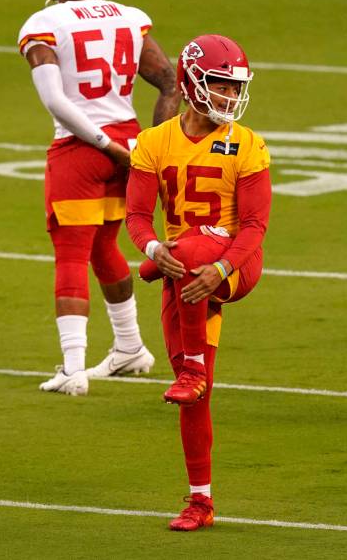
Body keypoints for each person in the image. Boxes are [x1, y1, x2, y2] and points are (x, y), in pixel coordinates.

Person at [18, 0, 180, 396]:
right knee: (103, 245)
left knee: (71, 251)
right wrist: (151, 145)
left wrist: (105, 145)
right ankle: (130, 347)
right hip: (129, 139)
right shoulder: (129, 16)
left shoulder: (44, 23)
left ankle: (72, 366)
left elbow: (55, 98)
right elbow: (169, 80)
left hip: (83, 147)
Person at [126, 34, 272, 531]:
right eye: (220, 86)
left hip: (235, 264)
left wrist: (222, 268)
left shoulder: (247, 144)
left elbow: (254, 226)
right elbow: (138, 217)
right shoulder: (153, 142)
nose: (230, 98)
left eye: (234, 88)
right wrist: (152, 251)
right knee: (199, 396)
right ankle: (200, 501)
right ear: (191, 84)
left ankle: (188, 364)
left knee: (188, 249)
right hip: (189, 275)